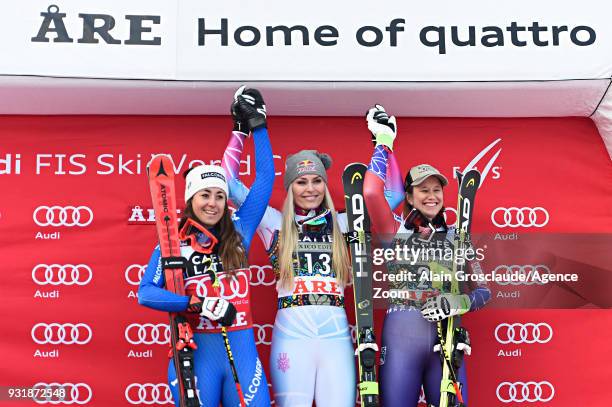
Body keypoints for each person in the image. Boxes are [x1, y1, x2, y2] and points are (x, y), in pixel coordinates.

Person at [138, 87, 274, 406]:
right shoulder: (173, 242)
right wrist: (199, 303)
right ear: (190, 199)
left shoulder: (239, 231)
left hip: (242, 353)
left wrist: (259, 126)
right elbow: (146, 292)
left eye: (219, 195)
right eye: (204, 195)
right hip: (197, 356)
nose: (212, 203)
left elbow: (265, 181)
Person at [363, 105, 491, 407]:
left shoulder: (457, 235)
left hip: (446, 339)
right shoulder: (392, 229)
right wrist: (383, 141)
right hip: (401, 338)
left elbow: (484, 290)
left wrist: (458, 301)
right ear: (408, 197)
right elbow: (370, 192)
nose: (431, 195)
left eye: (437, 189)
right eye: (423, 189)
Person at [223, 138, 359, 405]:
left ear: (325, 184)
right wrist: (241, 132)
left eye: (316, 180)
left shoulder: (345, 222)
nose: (310, 189)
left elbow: (390, 196)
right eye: (301, 182)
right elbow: (228, 182)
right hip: (292, 337)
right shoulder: (273, 222)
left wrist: (383, 143)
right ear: (290, 187)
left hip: (336, 337)